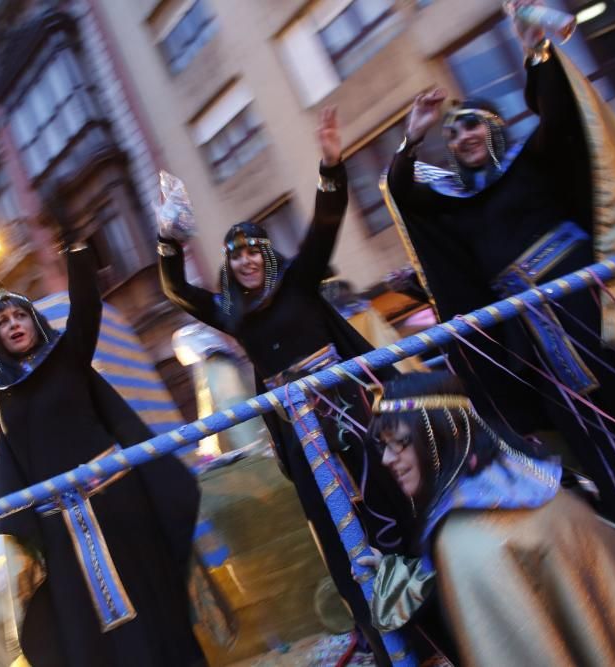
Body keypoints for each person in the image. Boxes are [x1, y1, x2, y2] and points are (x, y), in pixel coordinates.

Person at [382, 0, 615, 546]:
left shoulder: (533, 161)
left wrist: (537, 51)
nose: (463, 138)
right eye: (454, 135)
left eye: (474, 126)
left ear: (495, 129)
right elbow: (405, 192)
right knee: (591, 435)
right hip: (532, 337)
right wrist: (413, 138)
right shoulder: (455, 204)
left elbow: (558, 111)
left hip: (592, 312)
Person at [158, 108, 427, 663]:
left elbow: (326, 222)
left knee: (385, 502)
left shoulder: (301, 283)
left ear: (269, 256)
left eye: (255, 249)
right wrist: (167, 239)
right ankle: (386, 636)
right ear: (229, 270)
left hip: (349, 414)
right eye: (236, 255)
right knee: (336, 528)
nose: (247, 259)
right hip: (302, 438)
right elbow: (178, 291)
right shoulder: (232, 315)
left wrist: (331, 160)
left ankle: (430, 622)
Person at [0, 202, 204, 666]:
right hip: (59, 525)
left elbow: (86, 299)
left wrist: (68, 236)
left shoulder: (70, 356)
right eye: (2, 322)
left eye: (20, 316)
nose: (14, 324)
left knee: (153, 601)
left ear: (35, 323)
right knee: (86, 626)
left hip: (120, 502)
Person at [360, 372, 615, 666]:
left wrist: (394, 589)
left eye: (401, 443)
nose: (388, 460)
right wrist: (396, 577)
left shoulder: (468, 534)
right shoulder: (530, 481)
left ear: (440, 438)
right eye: (385, 447)